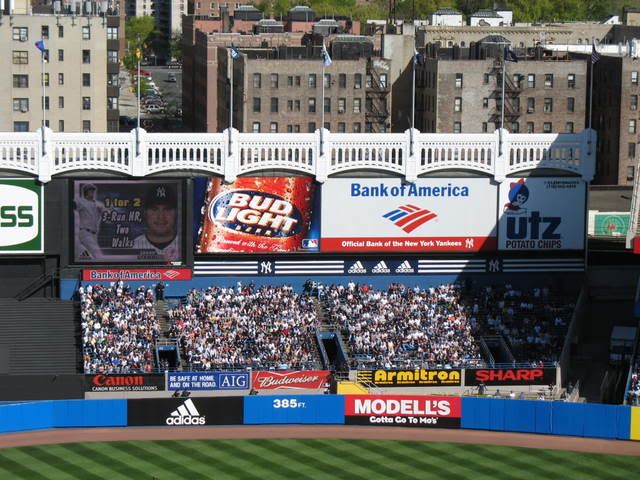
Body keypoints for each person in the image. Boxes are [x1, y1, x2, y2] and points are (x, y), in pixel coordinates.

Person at [133, 184, 179, 262]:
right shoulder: (134, 246)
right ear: (145, 213)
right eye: (154, 209)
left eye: (167, 209)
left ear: (176, 213)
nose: (161, 216)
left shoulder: (186, 246)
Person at [75, 183, 106, 260]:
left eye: (93, 191)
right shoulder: (80, 201)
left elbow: (106, 212)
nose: (92, 192)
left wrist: (107, 210)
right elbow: (71, 204)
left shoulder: (97, 204)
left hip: (94, 235)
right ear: (86, 192)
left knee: (90, 258)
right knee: (99, 256)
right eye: (90, 191)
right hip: (85, 232)